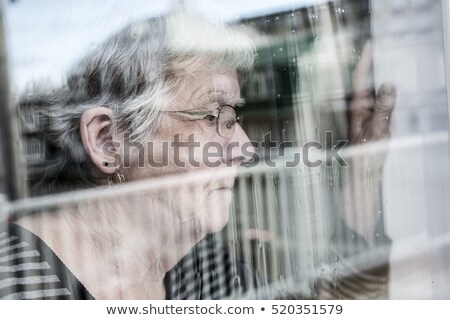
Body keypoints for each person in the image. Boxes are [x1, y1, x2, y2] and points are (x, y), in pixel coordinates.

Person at [0, 7, 395, 300]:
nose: (244, 147)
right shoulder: (17, 286)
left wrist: (363, 171)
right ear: (108, 141)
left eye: (234, 116)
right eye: (213, 115)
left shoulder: (199, 267)